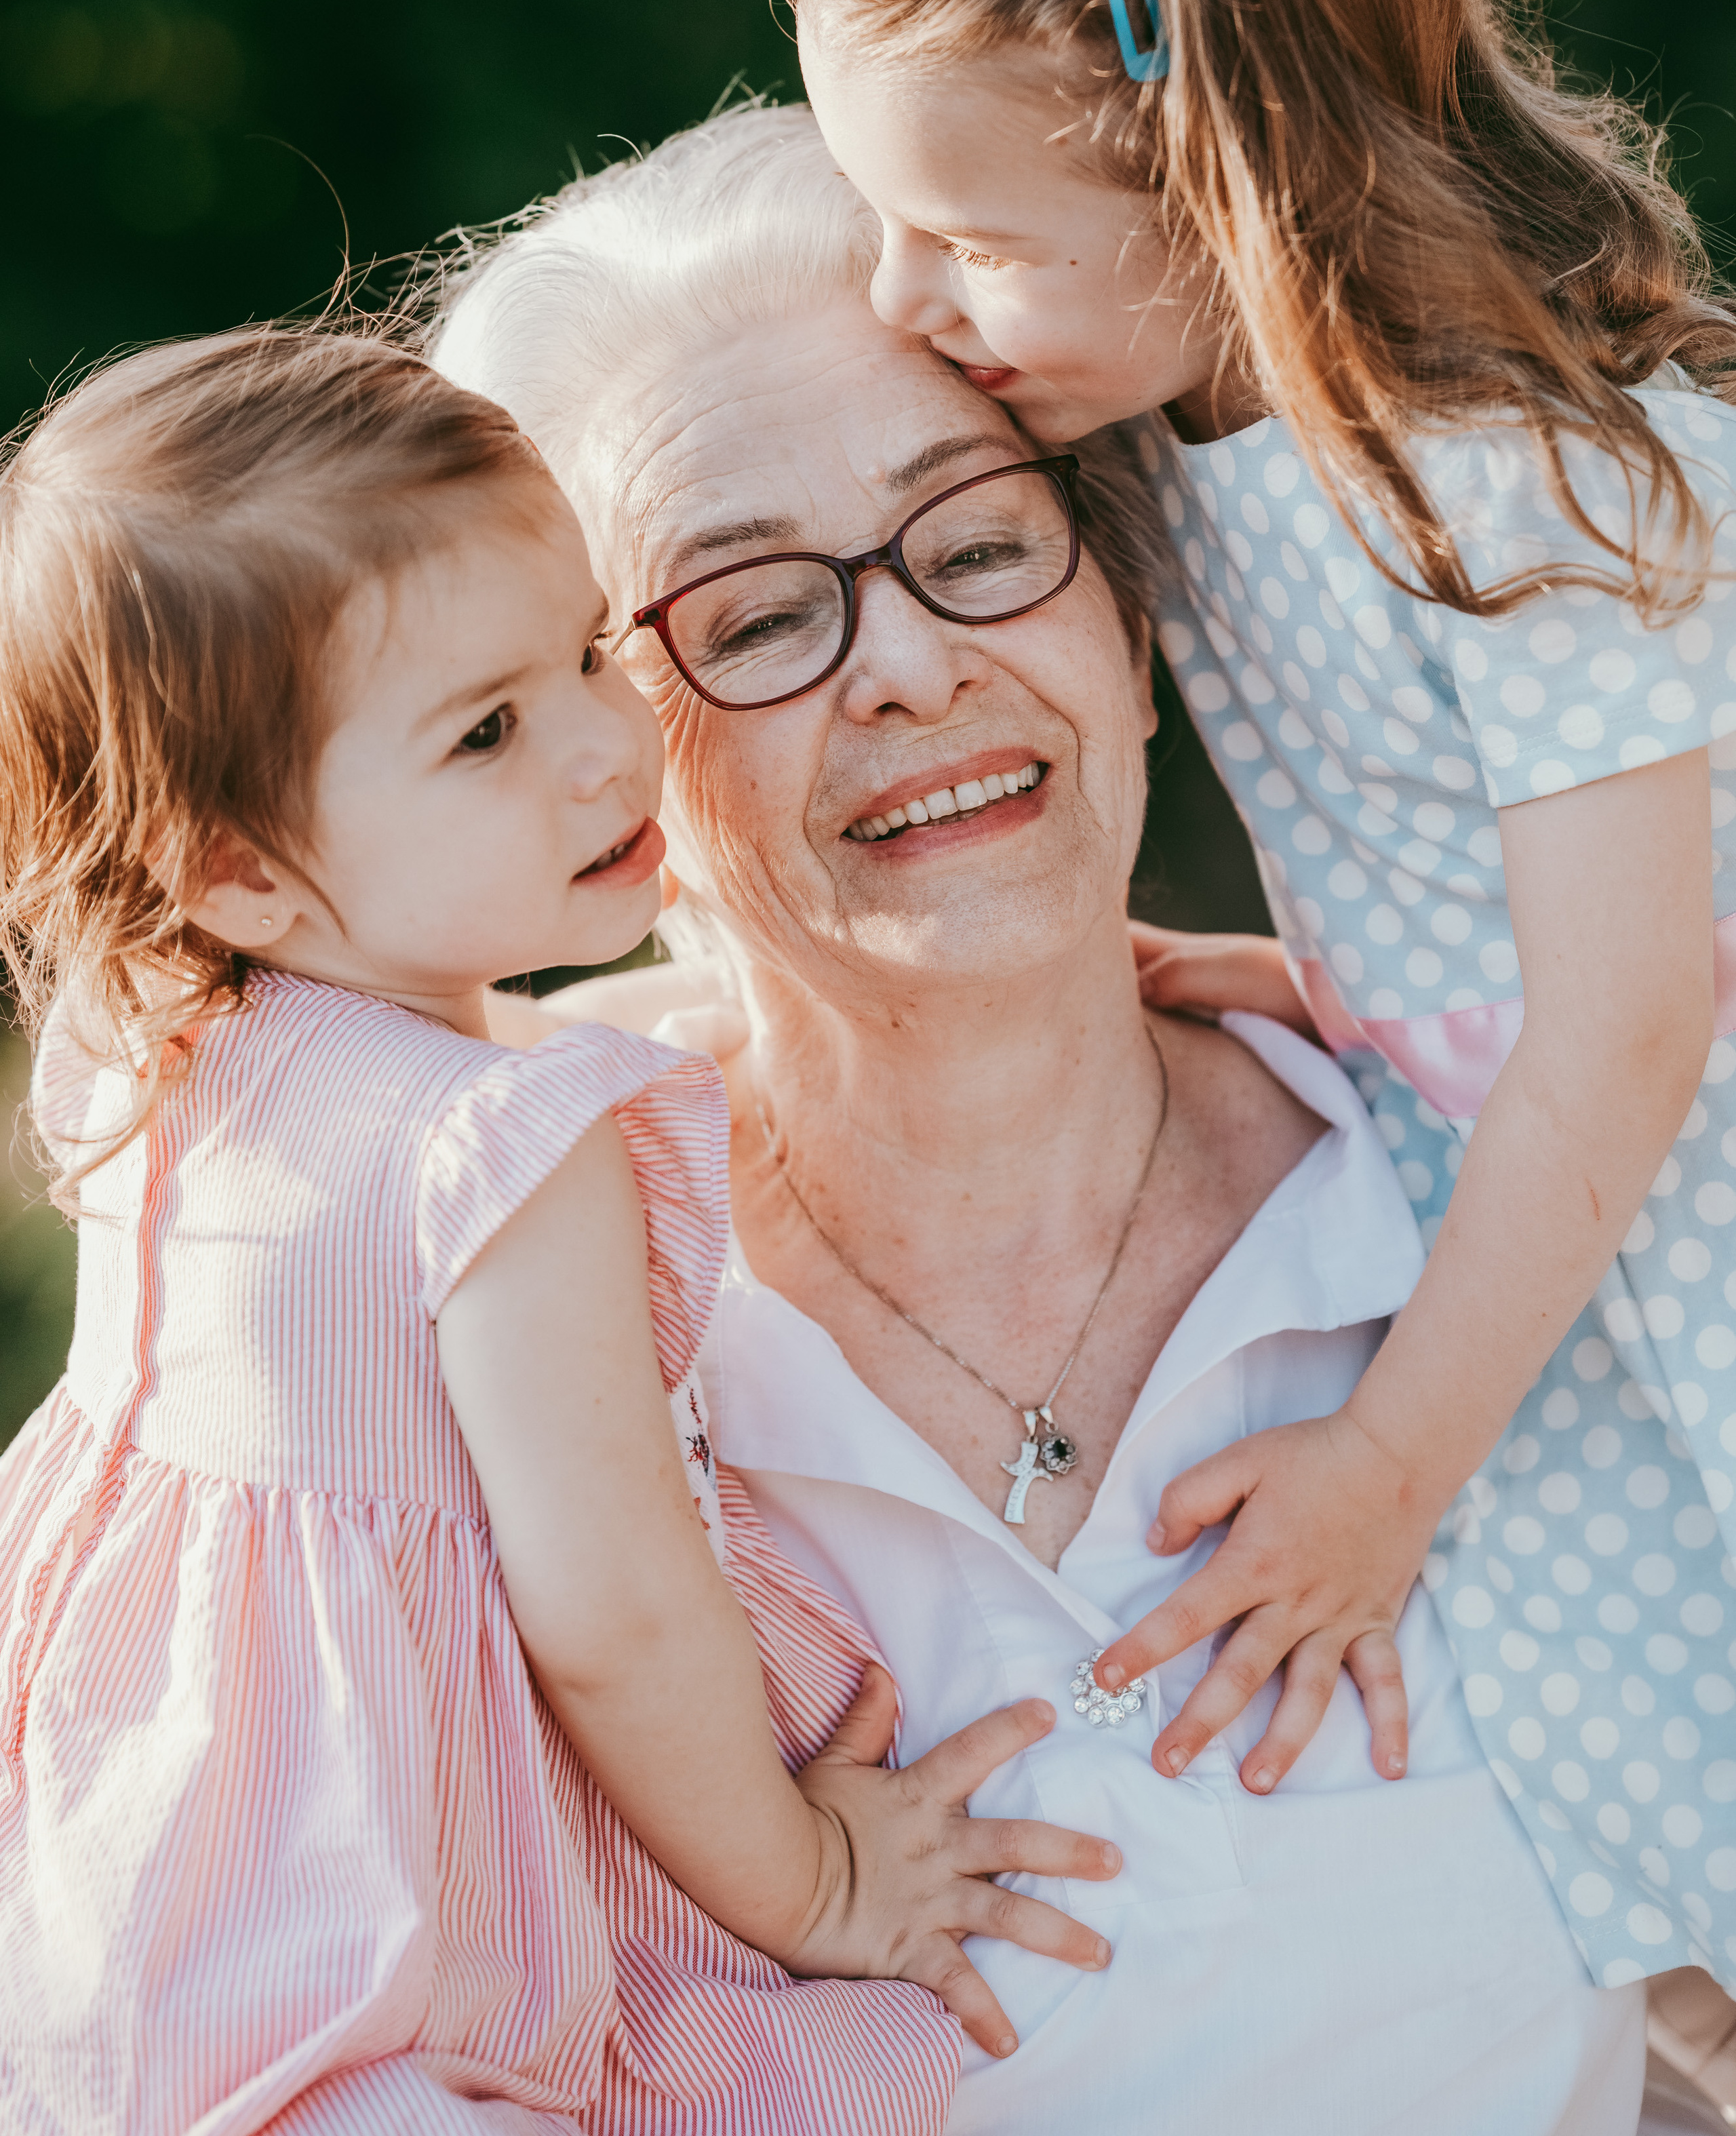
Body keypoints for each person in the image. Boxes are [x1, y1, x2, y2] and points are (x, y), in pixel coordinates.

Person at [431, 98, 1646, 2133]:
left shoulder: (1537, 1206)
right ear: (590, 776)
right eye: (751, 619)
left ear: (1135, 619)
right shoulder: (485, 1333)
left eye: (984, 542)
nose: (909, 662)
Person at [717, 0, 1736, 1994]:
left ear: (1230, 178)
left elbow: (1632, 1011)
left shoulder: (1530, 488)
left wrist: (1392, 1469)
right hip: (1539, 1229)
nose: (901, 292)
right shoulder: (1181, 429)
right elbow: (1475, 955)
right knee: (1639, 1867)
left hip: (1651, 1220)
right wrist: (1270, 977)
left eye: (964, 236)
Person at [0, 328, 1119, 2133]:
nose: (612, 742)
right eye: (489, 730)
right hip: (380, 1921)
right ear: (237, 870)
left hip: (148, 1856)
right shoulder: (508, 1164)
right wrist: (811, 1886)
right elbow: (616, 1615)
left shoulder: (148, 1031)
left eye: (590, 648)